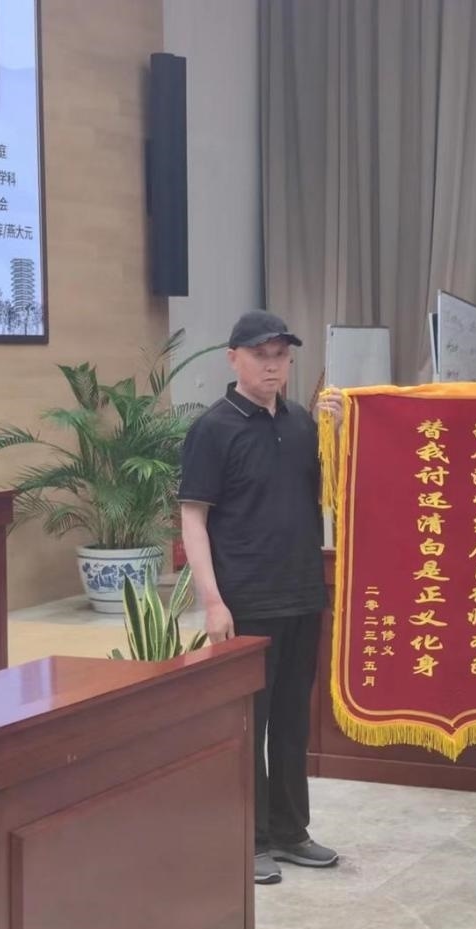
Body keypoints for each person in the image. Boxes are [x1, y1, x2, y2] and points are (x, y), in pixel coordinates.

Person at [179, 310, 343, 885]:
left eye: (280, 356)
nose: (272, 366)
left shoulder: (301, 423)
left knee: (293, 721)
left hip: (303, 594)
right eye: (260, 355)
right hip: (246, 599)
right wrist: (212, 601)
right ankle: (246, 841)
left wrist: (339, 432)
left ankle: (290, 831)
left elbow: (336, 489)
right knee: (249, 723)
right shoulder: (213, 428)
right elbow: (193, 517)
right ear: (234, 359)